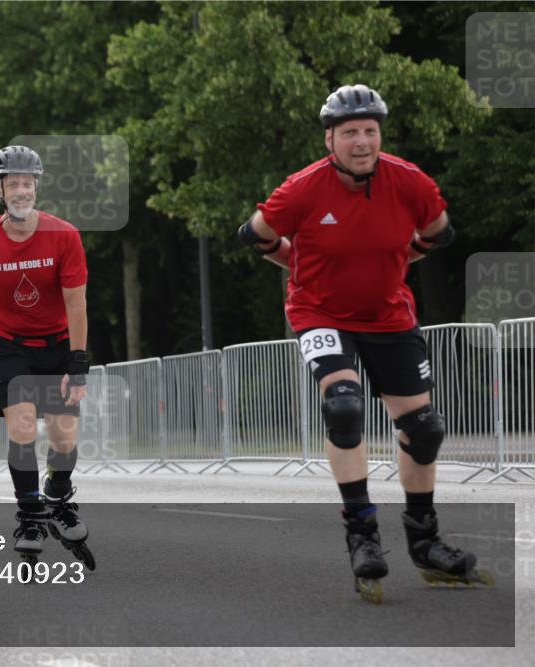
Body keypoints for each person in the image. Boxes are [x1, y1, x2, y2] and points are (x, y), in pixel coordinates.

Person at [239, 84, 488, 602]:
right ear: (330, 139)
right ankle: (363, 534)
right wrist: (297, 264)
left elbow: (439, 234)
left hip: (388, 314)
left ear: (381, 135)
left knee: (425, 429)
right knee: (344, 406)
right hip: (320, 312)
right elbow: (256, 234)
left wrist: (400, 261)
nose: (361, 141)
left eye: (370, 131)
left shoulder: (409, 181)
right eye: (350, 132)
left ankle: (425, 542)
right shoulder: (304, 188)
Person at [0, 145, 95, 569]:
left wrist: (77, 362)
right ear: (1, 190)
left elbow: (77, 304)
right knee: (24, 423)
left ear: (36, 187)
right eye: (13, 183)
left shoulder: (63, 235)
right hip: (8, 345)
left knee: (65, 438)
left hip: (58, 342)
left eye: (28, 183)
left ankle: (59, 497)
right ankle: (30, 515)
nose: (22, 190)